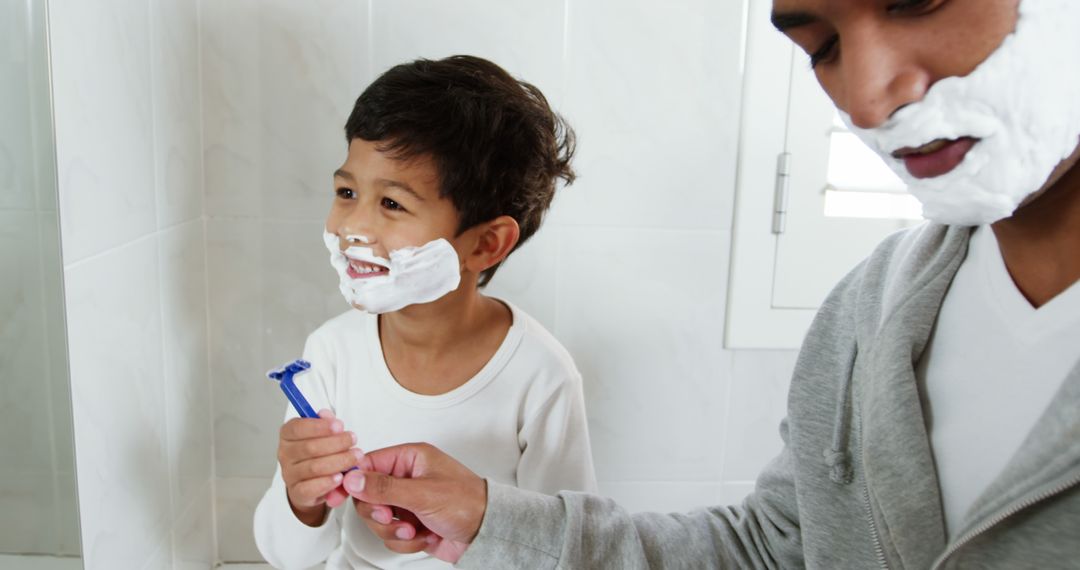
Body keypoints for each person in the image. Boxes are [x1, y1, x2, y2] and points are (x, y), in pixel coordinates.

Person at [338, 0, 1080, 568]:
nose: (866, 99)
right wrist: (491, 519)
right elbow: (770, 546)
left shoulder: (537, 367)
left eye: (917, 1)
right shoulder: (871, 310)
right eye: (822, 46)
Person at [252, 55, 598, 569]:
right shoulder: (330, 353)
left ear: (485, 244)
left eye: (392, 204)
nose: (354, 228)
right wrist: (300, 500)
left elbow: (570, 550)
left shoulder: (541, 376)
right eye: (347, 192)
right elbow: (288, 558)